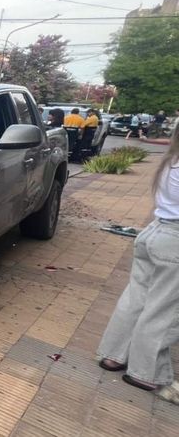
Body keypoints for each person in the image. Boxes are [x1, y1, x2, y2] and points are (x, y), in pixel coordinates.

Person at [97, 124, 179, 405]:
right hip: (174, 241)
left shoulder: (170, 161)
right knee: (163, 309)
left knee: (137, 297)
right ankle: (145, 372)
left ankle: (114, 355)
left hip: (154, 233)